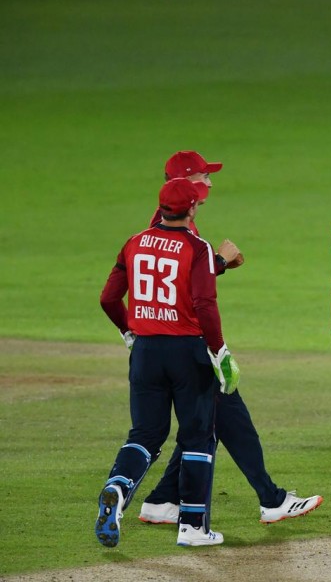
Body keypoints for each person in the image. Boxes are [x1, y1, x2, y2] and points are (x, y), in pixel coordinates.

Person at [138, 151, 322, 526]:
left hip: (163, 345)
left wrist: (216, 266)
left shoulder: (163, 225)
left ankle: (162, 500)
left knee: (205, 426)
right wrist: (219, 264)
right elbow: (190, 294)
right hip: (187, 346)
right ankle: (271, 500)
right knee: (230, 417)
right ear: (188, 184)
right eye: (205, 176)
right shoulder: (180, 230)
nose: (211, 183)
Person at [98, 178, 239, 547]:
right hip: (186, 353)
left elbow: (109, 298)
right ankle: (193, 526)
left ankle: (118, 487)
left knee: (145, 434)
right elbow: (205, 305)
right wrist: (220, 352)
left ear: (161, 207)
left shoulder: (134, 241)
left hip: (145, 352)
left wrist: (130, 334)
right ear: (191, 209)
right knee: (197, 437)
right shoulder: (197, 248)